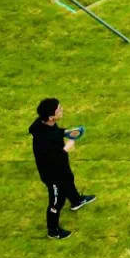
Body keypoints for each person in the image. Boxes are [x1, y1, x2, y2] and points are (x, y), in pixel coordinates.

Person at [29, 97, 95, 240]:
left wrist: (66, 132)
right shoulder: (42, 140)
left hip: (61, 168)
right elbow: (53, 158)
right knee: (57, 201)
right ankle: (53, 231)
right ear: (51, 117)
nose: (62, 109)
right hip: (52, 174)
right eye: (59, 109)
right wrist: (67, 147)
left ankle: (76, 201)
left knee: (69, 180)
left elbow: (55, 132)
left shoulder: (45, 123)